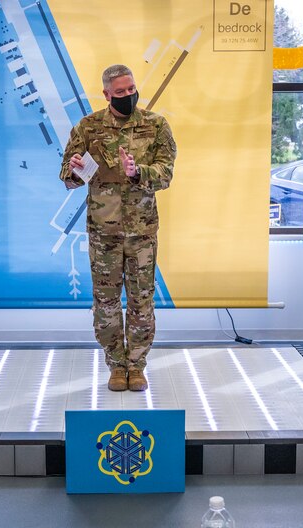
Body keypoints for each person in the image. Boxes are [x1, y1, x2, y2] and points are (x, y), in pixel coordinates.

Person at [60, 63, 177, 392]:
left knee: (142, 301)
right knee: (106, 302)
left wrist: (137, 170)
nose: (128, 96)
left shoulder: (156, 126)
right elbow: (67, 177)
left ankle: (137, 365)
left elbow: (165, 173)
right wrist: (75, 169)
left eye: (131, 89)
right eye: (120, 92)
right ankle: (115, 364)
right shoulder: (88, 127)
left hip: (142, 234)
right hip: (103, 235)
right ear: (107, 94)